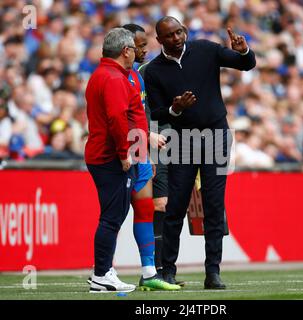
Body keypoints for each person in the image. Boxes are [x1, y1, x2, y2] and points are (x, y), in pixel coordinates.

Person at [144, 16, 256, 289]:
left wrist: (243, 50)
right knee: (176, 207)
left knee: (214, 205)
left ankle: (213, 273)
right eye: (170, 35)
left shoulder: (206, 49)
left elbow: (246, 64)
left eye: (179, 31)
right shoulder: (154, 70)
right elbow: (157, 112)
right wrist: (176, 109)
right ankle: (168, 271)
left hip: (216, 136)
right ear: (159, 41)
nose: (177, 38)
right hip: (182, 141)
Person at [85, 27, 148, 293]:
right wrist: (126, 152)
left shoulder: (102, 74)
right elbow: (117, 118)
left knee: (113, 215)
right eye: (134, 48)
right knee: (112, 217)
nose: (137, 53)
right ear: (126, 51)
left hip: (103, 153)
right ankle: (101, 273)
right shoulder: (113, 78)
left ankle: (102, 271)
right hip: (111, 156)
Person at [121, 23, 180, 291]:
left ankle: (158, 270)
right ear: (127, 48)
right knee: (142, 208)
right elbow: (132, 116)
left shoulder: (140, 75)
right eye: (140, 45)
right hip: (138, 149)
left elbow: (150, 112)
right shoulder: (132, 75)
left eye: (146, 44)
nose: (146, 49)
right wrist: (147, 140)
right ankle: (148, 270)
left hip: (153, 146)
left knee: (160, 205)